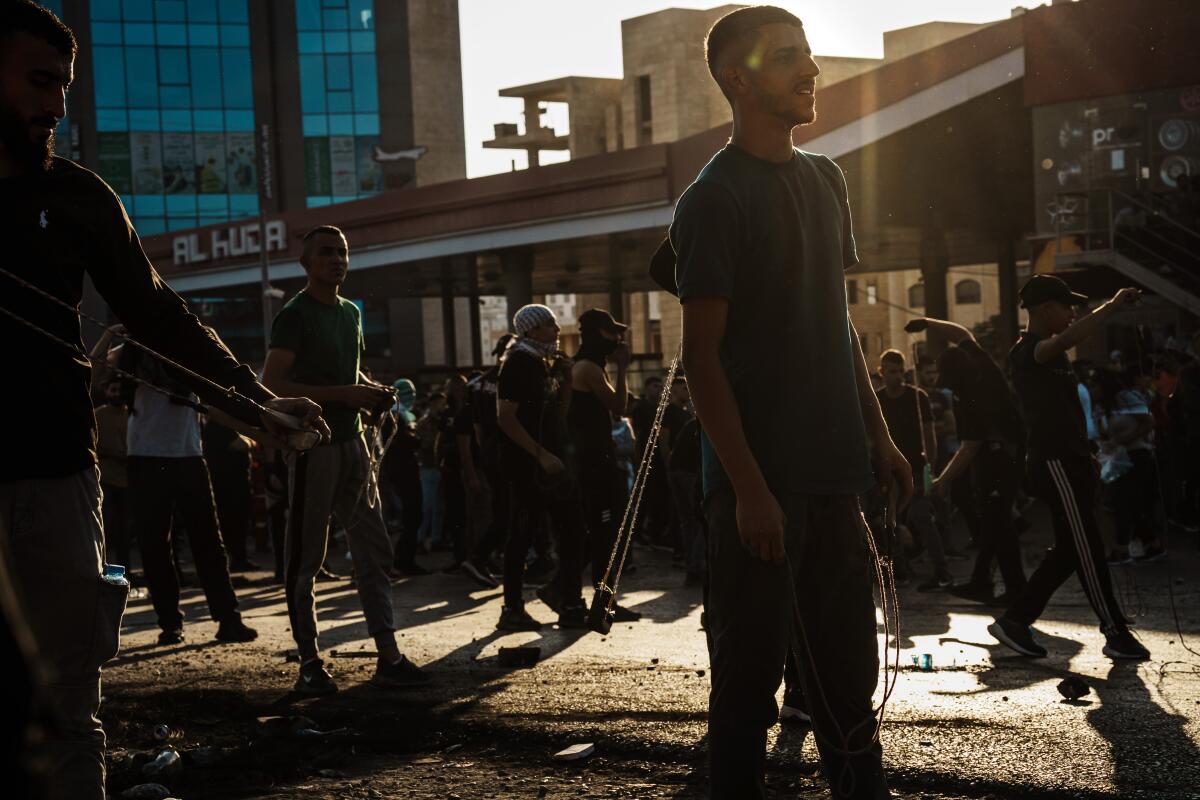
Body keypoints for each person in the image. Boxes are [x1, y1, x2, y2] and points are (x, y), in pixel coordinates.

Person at [0, 5, 326, 796]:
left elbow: (157, 314)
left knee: (71, 703)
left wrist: (257, 405)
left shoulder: (80, 197)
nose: (57, 107)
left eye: (66, 88)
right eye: (40, 83)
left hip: (55, 478)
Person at [669, 8, 911, 798]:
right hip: (759, 490)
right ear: (737, 81)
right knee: (746, 691)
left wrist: (878, 435)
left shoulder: (827, 178)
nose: (810, 70)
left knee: (848, 684)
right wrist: (746, 490)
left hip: (833, 472)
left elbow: (833, 321)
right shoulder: (712, 199)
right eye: (787, 58)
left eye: (809, 53)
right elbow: (699, 357)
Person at [263, 225, 429, 693]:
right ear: (306, 263)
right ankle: (310, 663)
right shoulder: (294, 314)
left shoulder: (351, 313)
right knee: (306, 558)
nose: (336, 259)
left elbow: (349, 373)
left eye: (342, 252)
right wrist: (347, 394)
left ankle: (388, 654)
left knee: (374, 551)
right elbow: (272, 384)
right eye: (326, 253)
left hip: (355, 446)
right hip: (314, 447)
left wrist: (368, 392)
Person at [987, 275, 1148, 660]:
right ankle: (1114, 629)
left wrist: (1087, 453)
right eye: (1066, 306)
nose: (1073, 313)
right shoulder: (1029, 351)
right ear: (1045, 311)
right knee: (1088, 546)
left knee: (1069, 550)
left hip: (1071, 460)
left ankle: (1014, 620)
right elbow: (1062, 341)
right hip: (1054, 463)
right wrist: (1111, 307)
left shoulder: (1054, 354)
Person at [913, 319, 1027, 605]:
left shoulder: (972, 396)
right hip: (1008, 454)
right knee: (993, 523)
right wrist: (928, 323)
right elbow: (962, 333)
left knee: (1000, 524)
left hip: (1001, 460)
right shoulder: (982, 362)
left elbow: (969, 447)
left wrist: (942, 482)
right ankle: (982, 582)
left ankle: (1016, 590)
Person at [495, 303, 587, 631]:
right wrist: (540, 455)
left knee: (572, 530)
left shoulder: (544, 362)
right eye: (550, 324)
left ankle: (567, 599)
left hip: (553, 460)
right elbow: (505, 418)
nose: (557, 329)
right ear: (532, 330)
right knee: (522, 534)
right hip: (528, 466)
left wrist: (565, 380)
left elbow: (557, 414)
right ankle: (512, 608)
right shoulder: (519, 362)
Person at [567, 308, 640, 620]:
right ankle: (597, 600)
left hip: (596, 458)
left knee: (602, 531)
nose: (618, 339)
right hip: (594, 462)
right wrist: (623, 369)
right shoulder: (589, 368)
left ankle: (577, 593)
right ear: (597, 334)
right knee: (604, 532)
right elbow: (619, 406)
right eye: (612, 333)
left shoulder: (589, 364)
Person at [876, 349, 948, 592]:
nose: (897, 377)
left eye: (900, 371)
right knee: (890, 519)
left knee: (920, 517)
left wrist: (932, 467)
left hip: (915, 468)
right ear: (881, 372)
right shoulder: (877, 400)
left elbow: (929, 435)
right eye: (891, 372)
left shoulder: (917, 397)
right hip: (888, 470)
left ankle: (942, 570)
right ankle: (899, 570)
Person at [204, 416, 259, 573]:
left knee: (239, 521)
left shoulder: (227, 424)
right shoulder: (219, 425)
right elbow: (241, 444)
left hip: (235, 481)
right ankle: (235, 559)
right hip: (227, 483)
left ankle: (239, 557)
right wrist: (251, 440)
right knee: (232, 521)